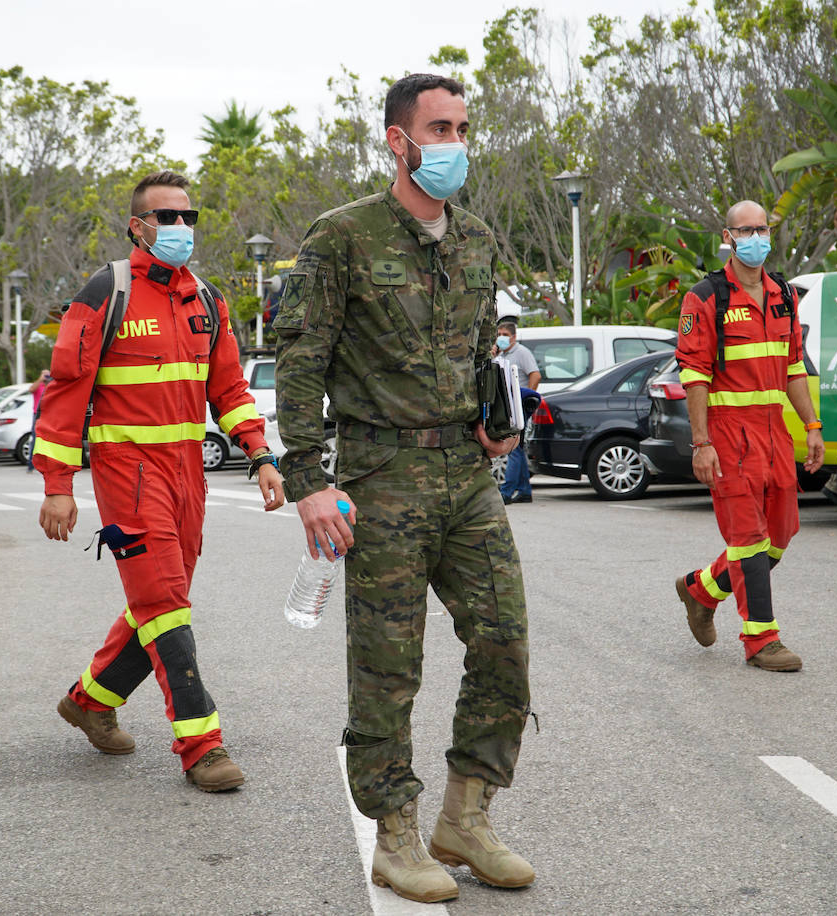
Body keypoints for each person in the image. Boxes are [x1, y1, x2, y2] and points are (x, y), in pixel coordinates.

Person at [274, 73, 533, 904]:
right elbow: (300, 360)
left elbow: (481, 349)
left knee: (503, 638)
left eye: (462, 127)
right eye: (439, 128)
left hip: (465, 471)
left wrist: (498, 417)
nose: (454, 143)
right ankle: (394, 833)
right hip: (379, 476)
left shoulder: (478, 238)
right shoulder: (341, 237)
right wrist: (310, 480)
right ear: (398, 139)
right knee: (388, 667)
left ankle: (466, 815)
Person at [33, 169, 284, 791]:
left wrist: (260, 455)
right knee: (166, 603)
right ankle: (201, 744)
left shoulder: (206, 298)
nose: (179, 228)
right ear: (137, 226)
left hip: (188, 477)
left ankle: (89, 701)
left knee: (156, 605)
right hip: (128, 479)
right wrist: (57, 485)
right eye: (165, 218)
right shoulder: (105, 292)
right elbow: (66, 393)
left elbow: (228, 388)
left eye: (186, 218)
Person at [672, 200, 824, 673]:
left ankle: (702, 589)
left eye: (762, 228)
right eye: (746, 230)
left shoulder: (784, 294)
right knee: (748, 537)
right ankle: (762, 639)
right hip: (728, 436)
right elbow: (693, 374)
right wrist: (702, 442)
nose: (755, 237)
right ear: (729, 236)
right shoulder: (706, 297)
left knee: (780, 534)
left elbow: (794, 366)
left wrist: (812, 426)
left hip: (775, 432)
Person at [494, 317, 541, 505]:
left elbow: (535, 375)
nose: (501, 338)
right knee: (518, 448)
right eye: (498, 335)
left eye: (505, 335)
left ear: (514, 337)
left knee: (512, 447)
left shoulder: (521, 352)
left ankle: (507, 491)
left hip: (518, 406)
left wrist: (525, 398)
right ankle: (524, 490)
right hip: (507, 407)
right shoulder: (500, 355)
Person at [26, 369, 51, 472]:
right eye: (44, 375)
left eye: (47, 375)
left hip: (48, 414)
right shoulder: (38, 385)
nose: (46, 377)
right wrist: (40, 379)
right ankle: (31, 465)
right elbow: (31, 389)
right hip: (37, 414)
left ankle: (47, 465)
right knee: (36, 439)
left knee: (49, 439)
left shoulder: (50, 386)